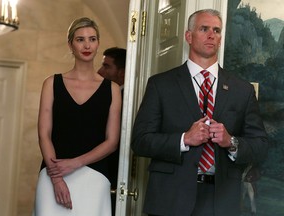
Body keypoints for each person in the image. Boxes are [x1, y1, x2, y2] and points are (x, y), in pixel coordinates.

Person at [131, 9, 269, 216]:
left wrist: (231, 142)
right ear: (189, 36)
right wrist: (184, 139)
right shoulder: (161, 84)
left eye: (216, 30)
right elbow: (140, 141)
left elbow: (260, 146)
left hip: (221, 201)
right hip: (170, 199)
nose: (211, 35)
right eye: (204, 29)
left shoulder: (242, 90)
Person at [33, 17, 122, 216]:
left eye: (92, 39)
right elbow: (44, 134)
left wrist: (75, 163)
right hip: (53, 175)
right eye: (80, 39)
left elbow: (112, 141)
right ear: (70, 45)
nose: (87, 44)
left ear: (98, 43)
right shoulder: (51, 84)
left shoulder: (112, 90)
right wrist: (56, 179)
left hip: (95, 176)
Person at [98, 47, 126, 216]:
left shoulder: (126, 101)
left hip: (113, 180)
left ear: (122, 73)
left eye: (106, 66)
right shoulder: (105, 97)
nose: (99, 71)